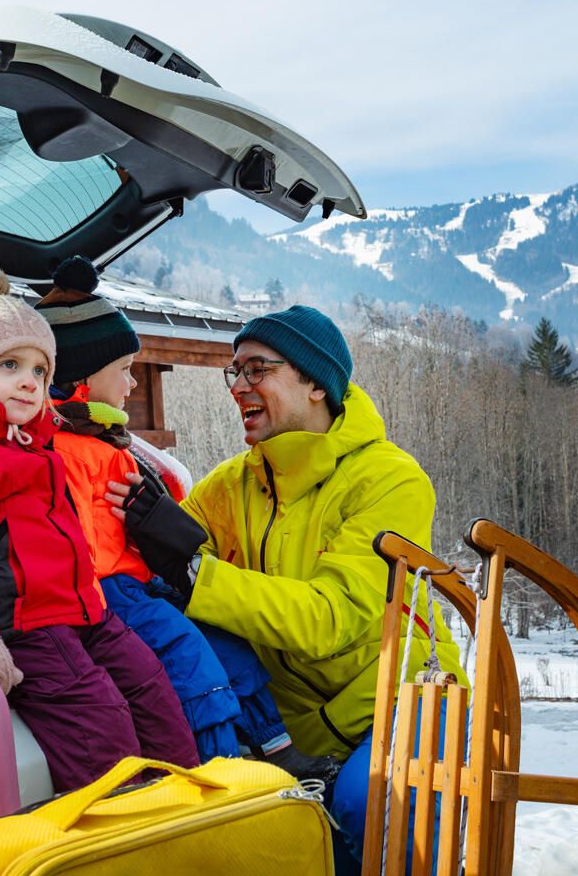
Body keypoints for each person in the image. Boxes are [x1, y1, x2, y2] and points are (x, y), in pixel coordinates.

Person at [107, 304, 469, 864]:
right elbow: (162, 568)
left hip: (401, 701)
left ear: (316, 384)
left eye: (258, 370)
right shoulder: (230, 486)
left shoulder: (391, 481)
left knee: (365, 801)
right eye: (235, 372)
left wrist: (195, 572)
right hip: (298, 726)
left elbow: (327, 618)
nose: (239, 387)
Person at [0, 265, 197, 792]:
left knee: (154, 690)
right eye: (9, 365)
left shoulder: (37, 446)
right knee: (100, 725)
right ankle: (118, 831)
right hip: (27, 628)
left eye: (41, 371)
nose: (29, 380)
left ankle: (184, 809)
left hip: (87, 612)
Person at [35, 257, 336, 779]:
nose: (132, 384)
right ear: (82, 376)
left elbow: (168, 512)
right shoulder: (62, 450)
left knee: (226, 641)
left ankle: (274, 744)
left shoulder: (107, 443)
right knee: (188, 658)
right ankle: (223, 766)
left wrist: (168, 533)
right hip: (109, 590)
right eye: (125, 370)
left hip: (139, 580)